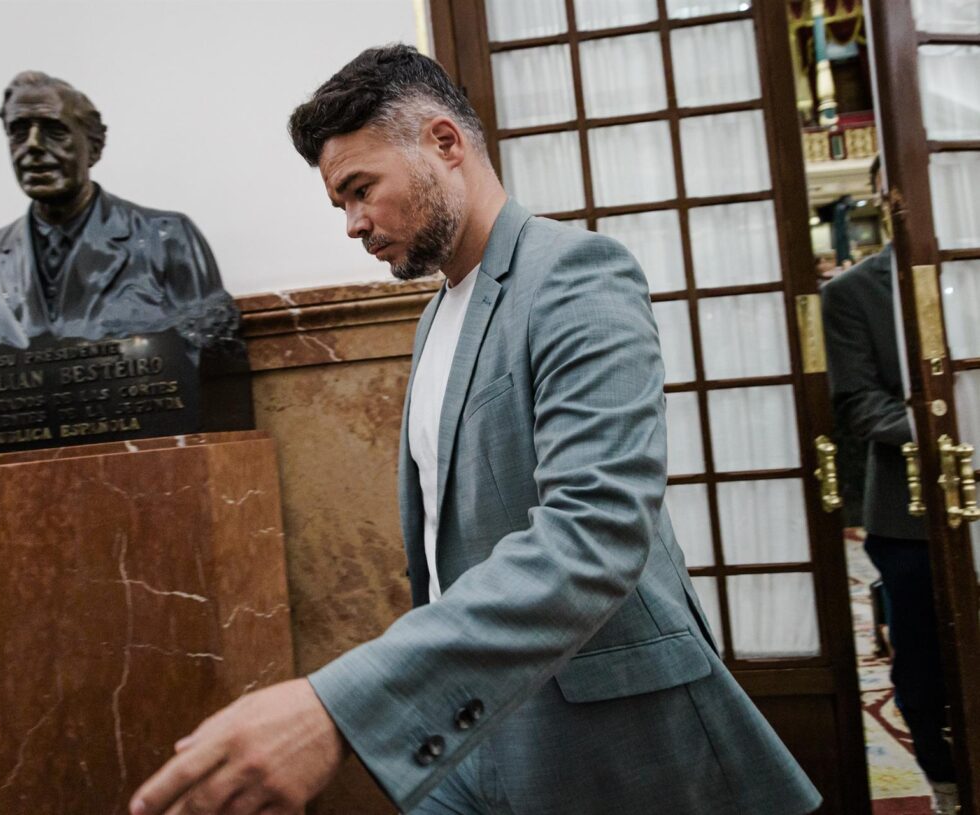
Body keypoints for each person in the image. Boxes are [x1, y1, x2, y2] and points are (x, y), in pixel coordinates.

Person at [130, 45, 821, 815]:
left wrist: (339, 704)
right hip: (473, 725)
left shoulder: (577, 273)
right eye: (341, 206)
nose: (354, 225)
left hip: (612, 737)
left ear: (444, 144)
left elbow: (595, 534)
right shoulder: (433, 318)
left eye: (361, 190)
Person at [821, 157, 957, 815]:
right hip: (905, 512)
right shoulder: (852, 293)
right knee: (923, 668)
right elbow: (858, 405)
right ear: (883, 199)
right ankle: (946, 781)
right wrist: (948, 423)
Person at [0, 70, 233, 353]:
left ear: (94, 147)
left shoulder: (167, 238)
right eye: (19, 132)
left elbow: (210, 360)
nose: (32, 146)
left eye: (54, 131)